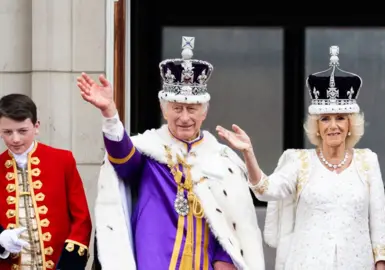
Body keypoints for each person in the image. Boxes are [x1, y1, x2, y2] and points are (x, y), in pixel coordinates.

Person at [78, 36, 264, 270]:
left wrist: (226, 260)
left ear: (204, 113)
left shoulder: (221, 158)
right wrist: (110, 113)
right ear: (164, 110)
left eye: (191, 109)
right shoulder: (149, 151)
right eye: (177, 108)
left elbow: (234, 220)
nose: (184, 117)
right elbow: (122, 158)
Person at [217, 45, 385, 270]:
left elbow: (379, 224)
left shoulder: (368, 161)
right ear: (317, 126)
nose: (333, 126)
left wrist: (381, 265)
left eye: (340, 118)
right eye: (325, 119)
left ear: (350, 125)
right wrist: (248, 152)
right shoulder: (299, 161)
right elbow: (265, 190)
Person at [0, 94, 92, 270]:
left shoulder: (63, 160)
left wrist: (69, 265)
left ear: (36, 127)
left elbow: (81, 219)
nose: (15, 139)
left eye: (22, 131)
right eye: (7, 132)